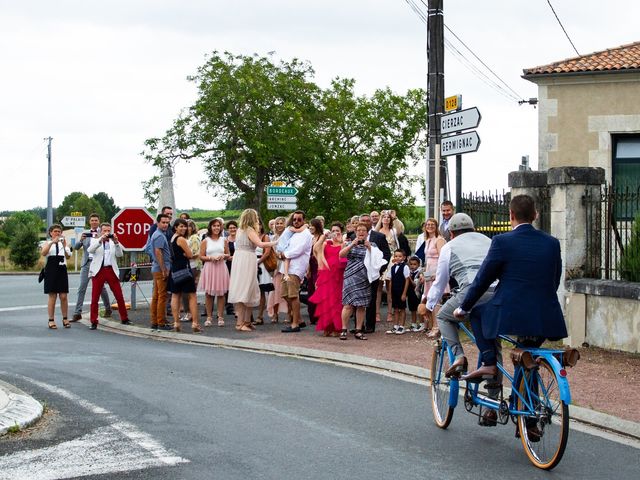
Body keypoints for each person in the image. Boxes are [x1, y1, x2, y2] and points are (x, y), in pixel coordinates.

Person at [455, 195, 568, 381]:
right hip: (546, 315)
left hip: (511, 313)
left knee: (476, 313)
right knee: (527, 356)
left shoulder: (502, 241)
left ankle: (489, 363)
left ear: (511, 215)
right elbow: (554, 280)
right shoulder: (552, 243)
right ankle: (526, 402)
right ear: (535, 215)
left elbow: (483, 279)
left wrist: (464, 307)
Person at [425, 213, 493, 378]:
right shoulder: (489, 241)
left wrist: (429, 304)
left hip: (470, 290)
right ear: (473, 229)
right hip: (496, 291)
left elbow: (441, 281)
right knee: (493, 341)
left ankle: (458, 356)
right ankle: (493, 391)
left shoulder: (449, 246)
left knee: (443, 317)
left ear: (451, 233)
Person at [227, 209, 277, 332]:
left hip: (240, 259)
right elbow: (260, 244)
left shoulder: (239, 230)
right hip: (247, 259)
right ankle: (241, 323)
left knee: (247, 288)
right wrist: (276, 241)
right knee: (245, 289)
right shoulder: (249, 230)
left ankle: (247, 321)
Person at [87, 222, 131, 330]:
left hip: (111, 270)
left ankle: (124, 318)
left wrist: (116, 242)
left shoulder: (113, 242)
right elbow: (90, 250)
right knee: (95, 297)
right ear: (100, 231)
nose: (106, 233)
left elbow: (120, 254)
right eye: (104, 231)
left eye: (108, 231)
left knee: (119, 295)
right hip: (99, 270)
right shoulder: (96, 240)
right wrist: (100, 240)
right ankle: (93, 321)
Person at [309, 222, 347, 336]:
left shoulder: (343, 243)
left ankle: (337, 327)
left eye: (337, 231)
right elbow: (315, 249)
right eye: (333, 231)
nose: (335, 233)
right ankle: (327, 327)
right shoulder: (326, 243)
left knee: (337, 301)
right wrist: (324, 236)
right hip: (326, 274)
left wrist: (342, 242)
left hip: (338, 275)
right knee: (326, 301)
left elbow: (344, 257)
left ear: (341, 232)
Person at [71, 213, 111, 322]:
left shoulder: (103, 233)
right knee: (81, 288)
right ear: (89, 222)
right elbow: (76, 247)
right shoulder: (86, 233)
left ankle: (108, 308)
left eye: (96, 220)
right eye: (92, 220)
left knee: (101, 288)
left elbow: (108, 246)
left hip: (98, 263)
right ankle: (77, 312)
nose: (94, 222)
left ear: (99, 221)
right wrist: (80, 240)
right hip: (86, 263)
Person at [339, 223, 376, 340]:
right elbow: (341, 255)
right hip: (350, 276)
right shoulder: (349, 243)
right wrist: (352, 245)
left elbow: (377, 259)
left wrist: (369, 247)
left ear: (367, 232)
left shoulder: (372, 244)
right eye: (358, 230)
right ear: (355, 232)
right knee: (348, 304)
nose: (361, 232)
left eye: (363, 230)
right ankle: (344, 329)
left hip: (364, 277)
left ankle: (358, 329)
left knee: (361, 305)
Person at [278, 210, 313, 333]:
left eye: (299, 219)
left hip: (296, 267)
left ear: (304, 220)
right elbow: (284, 245)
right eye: (294, 219)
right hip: (287, 267)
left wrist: (284, 254)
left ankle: (295, 324)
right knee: (285, 295)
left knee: (293, 296)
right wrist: (281, 253)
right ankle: (300, 319)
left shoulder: (306, 234)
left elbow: (298, 250)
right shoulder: (292, 232)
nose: (296, 222)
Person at [169, 218, 202, 333]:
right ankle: (195, 323)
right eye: (181, 226)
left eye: (185, 226)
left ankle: (176, 322)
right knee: (192, 296)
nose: (183, 228)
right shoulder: (181, 239)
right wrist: (193, 254)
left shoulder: (172, 238)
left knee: (175, 296)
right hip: (184, 269)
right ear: (175, 227)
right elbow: (189, 254)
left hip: (174, 269)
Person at [361, 213, 390, 333]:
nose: (366, 222)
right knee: (359, 300)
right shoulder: (352, 236)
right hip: (358, 274)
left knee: (371, 299)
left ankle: (369, 325)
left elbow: (386, 255)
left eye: (368, 221)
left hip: (373, 273)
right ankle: (359, 325)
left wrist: (379, 269)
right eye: (363, 221)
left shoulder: (379, 236)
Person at [418, 218, 447, 338]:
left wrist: (438, 274)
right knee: (428, 298)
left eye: (432, 224)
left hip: (436, 272)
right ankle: (429, 325)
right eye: (427, 225)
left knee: (436, 300)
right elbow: (426, 259)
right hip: (428, 272)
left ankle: (437, 327)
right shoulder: (428, 240)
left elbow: (443, 257)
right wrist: (423, 273)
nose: (429, 226)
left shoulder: (439, 240)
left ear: (436, 226)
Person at [198, 218, 229, 327]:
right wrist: (210, 258)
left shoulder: (224, 240)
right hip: (210, 267)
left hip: (221, 267)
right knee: (209, 294)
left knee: (221, 294)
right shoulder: (205, 241)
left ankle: (220, 316)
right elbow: (201, 256)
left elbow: (228, 255)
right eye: (214, 226)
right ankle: (209, 316)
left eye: (218, 226)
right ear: (210, 227)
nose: (216, 228)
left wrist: (223, 256)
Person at [42, 224, 72, 329]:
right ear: (51, 233)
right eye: (55, 231)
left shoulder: (64, 244)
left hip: (62, 269)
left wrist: (64, 245)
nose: (57, 233)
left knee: (63, 296)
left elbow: (68, 256)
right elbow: (43, 253)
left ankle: (65, 318)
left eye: (59, 231)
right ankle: (51, 319)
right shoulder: (47, 242)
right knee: (52, 296)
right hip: (51, 270)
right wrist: (51, 243)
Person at [149, 213, 172, 331]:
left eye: (167, 222)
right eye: (163, 222)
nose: (165, 225)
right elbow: (158, 252)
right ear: (158, 223)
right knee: (162, 296)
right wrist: (164, 269)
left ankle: (155, 321)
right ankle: (161, 322)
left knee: (157, 296)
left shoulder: (158, 234)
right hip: (160, 269)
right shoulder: (159, 236)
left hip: (157, 268)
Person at [375, 211, 398, 323]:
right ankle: (377, 313)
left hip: (392, 259)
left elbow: (397, 244)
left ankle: (390, 313)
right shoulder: (378, 231)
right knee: (378, 287)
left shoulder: (393, 231)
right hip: (381, 258)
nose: (386, 219)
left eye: (388, 217)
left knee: (390, 288)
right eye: (384, 217)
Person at [266, 217, 289, 323]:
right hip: (276, 268)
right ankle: (275, 315)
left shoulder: (289, 237)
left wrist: (281, 255)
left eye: (281, 223)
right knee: (275, 292)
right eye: (277, 223)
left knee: (287, 292)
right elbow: (272, 253)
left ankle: (290, 315)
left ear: (285, 225)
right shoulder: (273, 238)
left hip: (287, 267)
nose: (279, 225)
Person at [255, 219, 275, 325]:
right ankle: (249, 316)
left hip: (261, 264)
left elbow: (267, 253)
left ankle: (260, 316)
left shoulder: (265, 237)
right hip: (250, 263)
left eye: (259, 224)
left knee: (262, 290)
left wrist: (258, 262)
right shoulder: (251, 236)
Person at [386, 249, 410, 335]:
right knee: (395, 309)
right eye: (396, 256)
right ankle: (395, 326)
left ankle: (402, 326)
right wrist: (390, 292)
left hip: (401, 290)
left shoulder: (405, 267)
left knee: (402, 309)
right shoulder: (392, 267)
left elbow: (407, 280)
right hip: (394, 291)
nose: (398, 258)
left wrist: (404, 293)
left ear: (404, 257)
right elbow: (391, 280)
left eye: (400, 256)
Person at [181, 219, 201, 322]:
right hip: (186, 266)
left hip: (193, 266)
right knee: (185, 291)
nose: (186, 228)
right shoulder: (184, 238)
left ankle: (189, 313)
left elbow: (196, 253)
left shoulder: (194, 238)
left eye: (188, 226)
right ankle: (188, 312)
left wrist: (183, 255)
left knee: (188, 291)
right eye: (184, 226)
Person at [306, 218, 324, 324]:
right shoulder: (311, 238)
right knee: (311, 292)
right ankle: (313, 316)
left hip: (319, 266)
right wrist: (308, 269)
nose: (310, 227)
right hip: (311, 266)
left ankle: (320, 315)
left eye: (312, 225)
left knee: (318, 291)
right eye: (309, 225)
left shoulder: (322, 237)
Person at [406, 256, 423, 332]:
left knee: (418, 309)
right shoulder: (409, 272)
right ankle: (413, 324)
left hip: (417, 293)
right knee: (412, 309)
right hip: (410, 293)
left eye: (414, 264)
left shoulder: (419, 273)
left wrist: (409, 277)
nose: (412, 266)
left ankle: (421, 324)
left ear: (418, 265)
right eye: (411, 264)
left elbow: (415, 285)